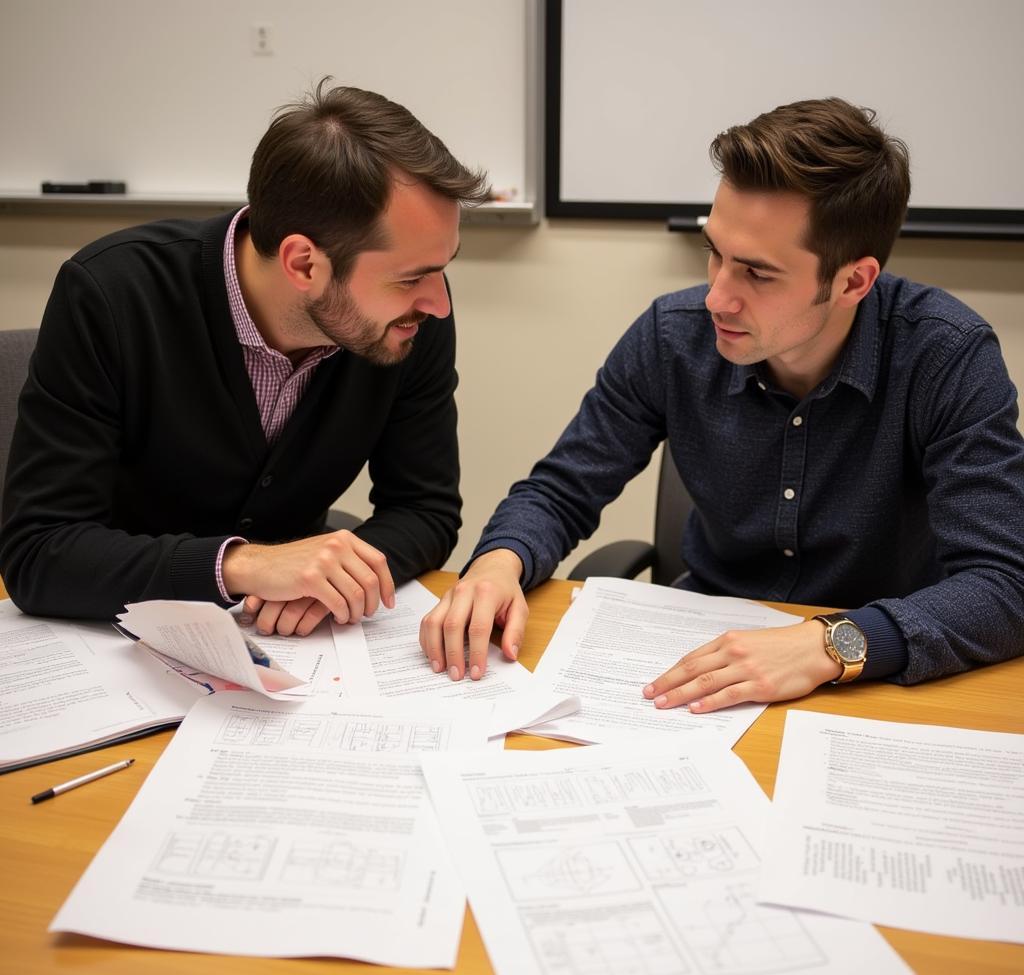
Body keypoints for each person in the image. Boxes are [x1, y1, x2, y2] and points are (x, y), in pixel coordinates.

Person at [420, 97, 1024, 711]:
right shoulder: (673, 336)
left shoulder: (946, 357)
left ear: (852, 282)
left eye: (757, 274)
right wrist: (500, 562)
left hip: (870, 678)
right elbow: (562, 490)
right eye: (715, 252)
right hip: (699, 660)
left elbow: (1006, 585)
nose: (717, 298)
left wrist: (827, 644)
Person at [0, 80, 489, 635]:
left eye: (441, 267)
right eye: (411, 278)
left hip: (284, 657)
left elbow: (424, 509)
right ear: (304, 264)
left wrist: (335, 579)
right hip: (110, 639)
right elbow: (40, 551)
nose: (438, 304)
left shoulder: (405, 324)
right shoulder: (113, 294)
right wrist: (243, 567)